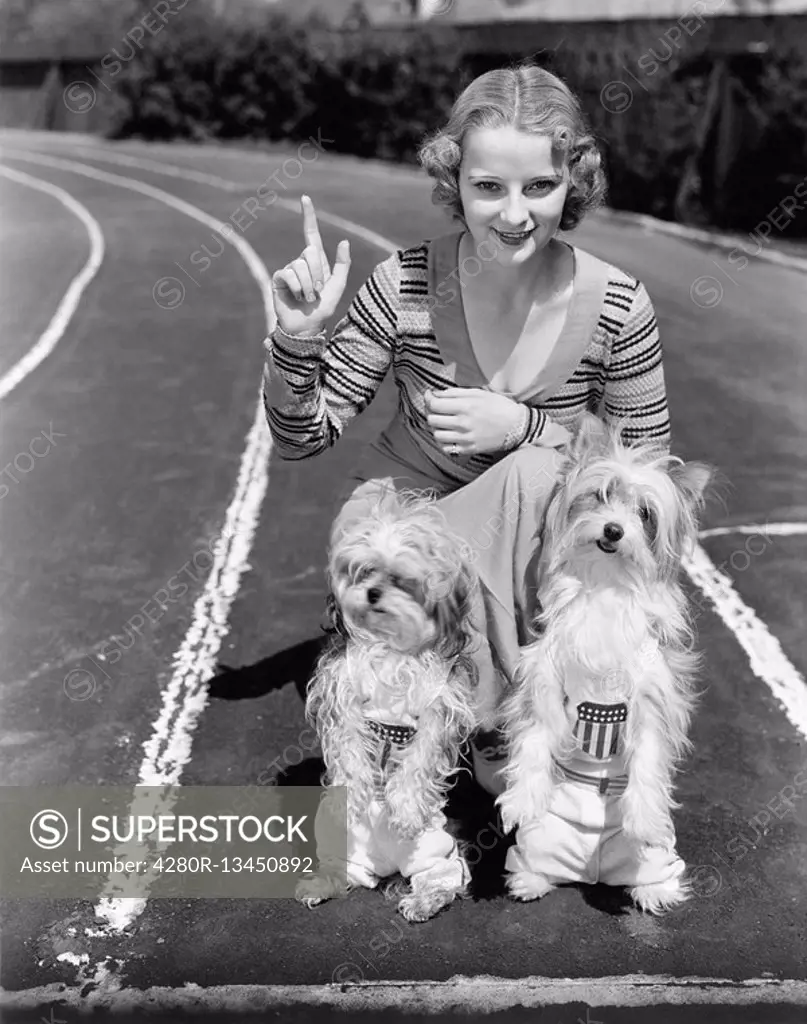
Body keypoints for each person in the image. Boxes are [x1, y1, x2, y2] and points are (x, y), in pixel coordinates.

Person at [262, 63, 671, 796]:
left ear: (572, 183)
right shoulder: (405, 285)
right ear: (454, 181)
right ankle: (428, 715)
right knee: (401, 521)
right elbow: (304, 436)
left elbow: (646, 472)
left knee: (535, 475)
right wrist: (297, 341)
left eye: (538, 187)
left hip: (531, 525)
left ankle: (489, 717)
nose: (513, 215)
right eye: (488, 187)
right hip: (411, 515)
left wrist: (526, 424)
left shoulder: (617, 307)